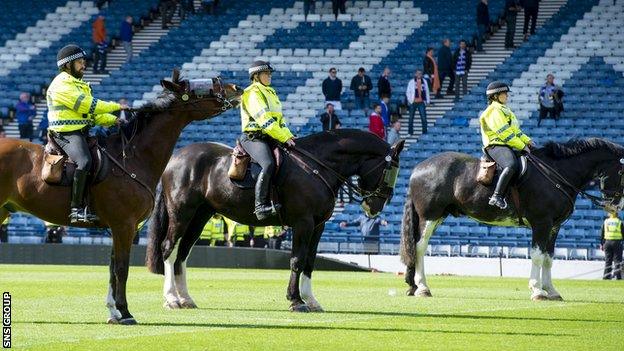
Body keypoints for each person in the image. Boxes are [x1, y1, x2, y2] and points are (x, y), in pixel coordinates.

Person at [47, 44, 127, 223]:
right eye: (80, 62)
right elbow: (88, 105)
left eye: (83, 61)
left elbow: (90, 115)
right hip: (66, 134)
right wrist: (116, 107)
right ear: (68, 65)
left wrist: (113, 120)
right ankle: (76, 209)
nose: (84, 65)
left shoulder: (78, 84)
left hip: (81, 131)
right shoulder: (62, 84)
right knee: (84, 161)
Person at [240, 61, 296, 220]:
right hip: (253, 138)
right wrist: (284, 137)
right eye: (266, 73)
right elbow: (264, 120)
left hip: (270, 137)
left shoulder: (271, 92)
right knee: (268, 164)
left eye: (270, 73)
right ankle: (260, 207)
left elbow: (280, 120)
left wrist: (289, 135)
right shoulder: (252, 92)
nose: (270, 76)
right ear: (256, 76)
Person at [479, 81, 534, 209]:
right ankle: (497, 195)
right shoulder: (493, 111)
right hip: (495, 146)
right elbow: (505, 133)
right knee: (511, 164)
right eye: (504, 93)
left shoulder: (505, 110)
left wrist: (527, 141)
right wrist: (522, 146)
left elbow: (514, 130)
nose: (507, 96)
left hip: (505, 145)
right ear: (495, 96)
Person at [405, 70, 430, 135]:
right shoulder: (411, 82)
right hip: (413, 102)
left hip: (421, 102)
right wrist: (410, 100)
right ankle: (410, 132)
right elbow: (408, 92)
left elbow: (427, 91)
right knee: (411, 118)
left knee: (424, 118)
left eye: (420, 73)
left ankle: (424, 132)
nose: (419, 74)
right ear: (415, 74)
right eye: (418, 73)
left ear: (421, 74)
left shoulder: (424, 81)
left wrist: (428, 101)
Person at [601, 211, 623, 280]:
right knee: (617, 261)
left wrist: (601, 244)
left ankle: (606, 277)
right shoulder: (619, 222)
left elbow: (602, 233)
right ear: (617, 214)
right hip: (617, 243)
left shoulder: (606, 221)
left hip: (607, 242)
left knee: (608, 261)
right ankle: (618, 277)